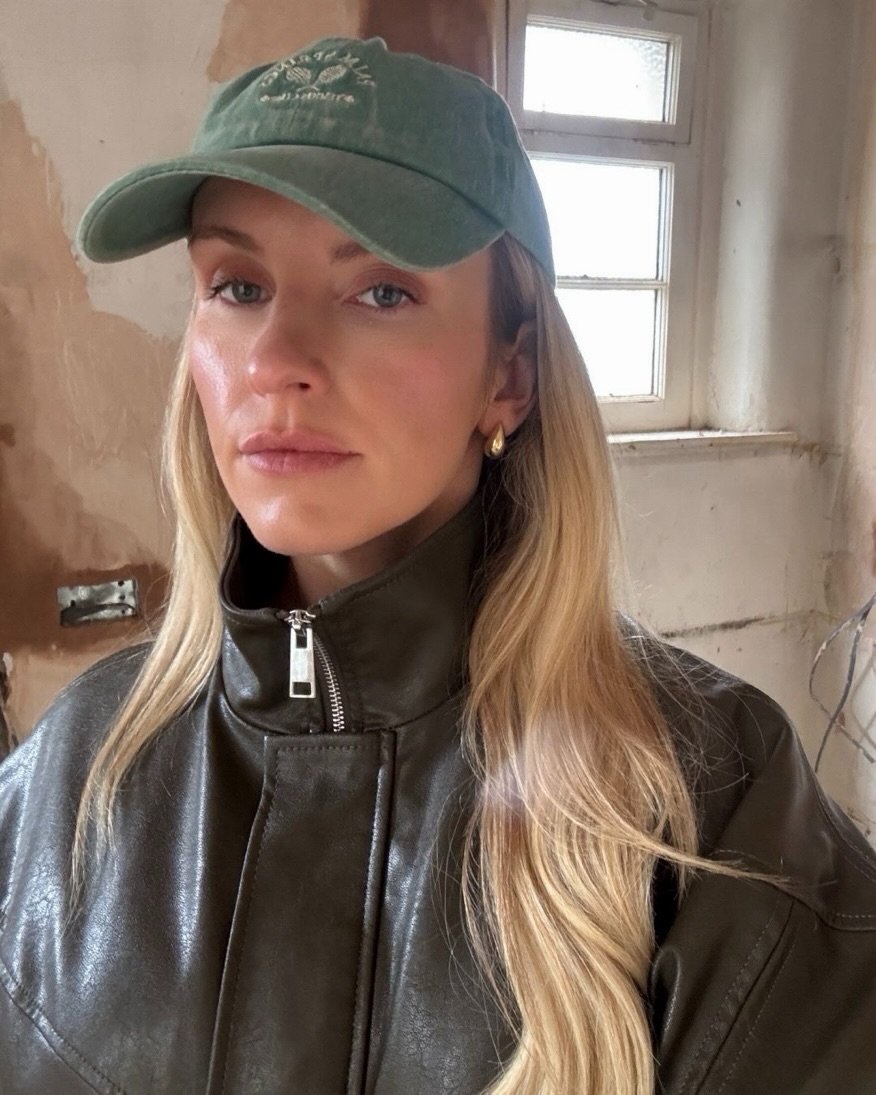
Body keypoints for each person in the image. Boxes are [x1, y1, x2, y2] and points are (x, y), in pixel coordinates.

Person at [1, 35, 874, 1095]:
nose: (275, 361)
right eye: (236, 285)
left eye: (380, 292)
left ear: (510, 372)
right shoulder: (66, 781)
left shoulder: (717, 815)